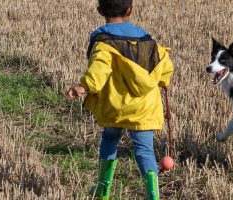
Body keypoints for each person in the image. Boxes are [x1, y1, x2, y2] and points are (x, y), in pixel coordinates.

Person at [65, 0, 173, 199]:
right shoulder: (149, 42)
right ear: (130, 10)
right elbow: (165, 68)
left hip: (115, 107)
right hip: (143, 110)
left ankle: (103, 188)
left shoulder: (104, 43)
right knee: (144, 151)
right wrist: (164, 81)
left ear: (99, 11)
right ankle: (153, 194)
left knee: (109, 139)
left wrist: (83, 86)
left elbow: (98, 72)